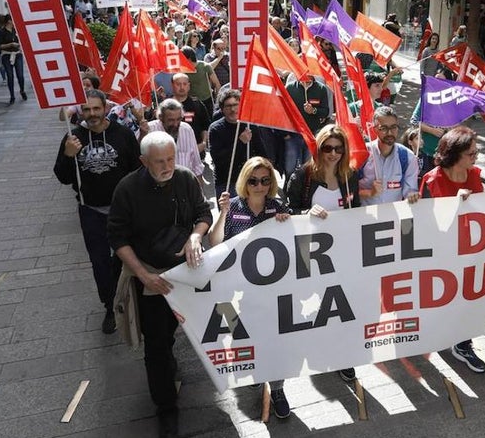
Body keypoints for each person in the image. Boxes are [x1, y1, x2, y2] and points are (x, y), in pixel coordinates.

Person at [108, 131, 211, 414]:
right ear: (143, 161)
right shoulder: (127, 190)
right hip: (151, 278)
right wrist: (143, 276)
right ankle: (165, 404)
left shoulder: (186, 178)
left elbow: (204, 214)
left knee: (174, 331)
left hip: (185, 275)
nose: (167, 166)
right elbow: (117, 238)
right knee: (156, 343)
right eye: (159, 162)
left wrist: (195, 237)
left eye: (170, 158)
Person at [208, 157, 293, 418]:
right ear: (245, 181)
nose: (259, 186)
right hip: (240, 292)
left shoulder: (277, 207)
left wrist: (286, 223)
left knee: (276, 340)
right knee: (248, 337)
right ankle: (256, 371)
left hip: (272, 290)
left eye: (265, 180)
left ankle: (277, 389)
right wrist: (222, 214)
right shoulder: (232, 207)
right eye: (254, 180)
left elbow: (291, 244)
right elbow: (214, 243)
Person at [55, 90, 141, 333]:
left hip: (123, 211)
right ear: (80, 111)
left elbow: (136, 170)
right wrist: (67, 156)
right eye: (86, 109)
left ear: (105, 108)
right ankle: (110, 307)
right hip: (91, 211)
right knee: (99, 263)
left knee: (124, 258)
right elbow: (62, 177)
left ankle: (130, 299)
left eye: (96, 108)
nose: (91, 114)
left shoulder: (123, 135)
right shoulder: (73, 137)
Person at [284, 124, 361, 382]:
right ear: (319, 148)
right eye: (328, 148)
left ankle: (342, 356)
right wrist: (306, 214)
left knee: (341, 304)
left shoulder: (349, 175)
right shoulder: (304, 175)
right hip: (310, 253)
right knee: (317, 304)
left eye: (339, 149)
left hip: (341, 253)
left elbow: (357, 209)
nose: (333, 153)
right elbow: (286, 211)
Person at [418, 126, 485, 370]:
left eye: (476, 152)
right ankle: (440, 333)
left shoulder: (475, 176)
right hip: (443, 255)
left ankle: (463, 345)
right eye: (471, 154)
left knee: (468, 300)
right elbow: (426, 224)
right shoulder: (432, 180)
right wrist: (453, 205)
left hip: (470, 252)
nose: (476, 157)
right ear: (454, 154)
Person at [208, 88, 268, 195]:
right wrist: (240, 142)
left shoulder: (250, 126)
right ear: (222, 109)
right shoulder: (215, 129)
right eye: (228, 106)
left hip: (250, 179)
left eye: (236, 105)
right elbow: (219, 160)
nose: (233, 109)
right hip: (227, 181)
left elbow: (262, 153)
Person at [359, 107, 420, 205]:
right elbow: (348, 193)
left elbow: (410, 191)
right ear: (375, 129)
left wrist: (413, 196)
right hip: (365, 217)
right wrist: (370, 193)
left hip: (394, 218)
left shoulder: (407, 157)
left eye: (393, 127)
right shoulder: (363, 154)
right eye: (384, 128)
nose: (390, 133)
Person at [143, 99, 205, 186]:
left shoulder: (186, 129)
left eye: (178, 119)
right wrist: (142, 134)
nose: (176, 124)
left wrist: (200, 193)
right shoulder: (148, 129)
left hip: (184, 186)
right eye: (171, 120)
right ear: (161, 117)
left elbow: (196, 165)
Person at [284, 72, 330, 175]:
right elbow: (283, 110)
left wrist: (313, 111)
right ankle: (289, 188)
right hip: (293, 134)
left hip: (312, 134)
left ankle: (306, 188)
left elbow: (325, 111)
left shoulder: (321, 88)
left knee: (308, 167)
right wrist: (285, 134)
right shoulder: (290, 88)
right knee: (290, 167)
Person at [170, 71, 209, 155]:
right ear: (172, 86)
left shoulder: (197, 104)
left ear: (189, 86)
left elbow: (205, 125)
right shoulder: (166, 106)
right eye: (178, 84)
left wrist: (203, 143)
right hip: (173, 154)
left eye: (184, 84)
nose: (182, 87)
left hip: (196, 152)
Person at [0, 14, 28, 105]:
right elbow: (0, 46)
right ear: (9, 21)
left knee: (20, 75)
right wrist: (10, 45)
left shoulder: (16, 30)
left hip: (17, 54)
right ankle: (12, 95)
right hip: (7, 55)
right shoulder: (1, 32)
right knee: (10, 76)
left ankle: (22, 90)